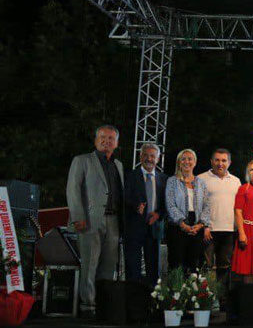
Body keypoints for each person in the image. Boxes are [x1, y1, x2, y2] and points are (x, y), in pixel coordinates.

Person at [67, 125, 125, 314]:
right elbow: (73, 189)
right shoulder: (82, 160)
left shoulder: (118, 165)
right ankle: (88, 305)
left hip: (114, 220)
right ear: (95, 140)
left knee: (109, 265)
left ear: (116, 143)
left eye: (111, 138)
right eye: (102, 137)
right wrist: (78, 216)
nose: (106, 141)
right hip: (90, 220)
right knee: (90, 264)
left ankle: (104, 304)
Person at [123, 142, 166, 286]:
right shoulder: (129, 176)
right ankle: (132, 298)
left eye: (152, 156)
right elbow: (123, 199)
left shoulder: (164, 179)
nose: (149, 159)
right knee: (132, 270)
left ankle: (152, 298)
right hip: (133, 229)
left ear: (158, 159)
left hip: (154, 229)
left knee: (153, 271)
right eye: (146, 155)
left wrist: (158, 214)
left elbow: (166, 205)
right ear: (140, 157)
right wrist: (136, 206)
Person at [198, 148, 242, 284]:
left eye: (224, 160)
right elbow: (198, 205)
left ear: (229, 162)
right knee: (206, 267)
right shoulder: (201, 179)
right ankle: (205, 296)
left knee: (225, 267)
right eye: (217, 160)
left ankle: (222, 295)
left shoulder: (236, 181)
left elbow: (239, 207)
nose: (220, 163)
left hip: (229, 230)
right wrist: (204, 226)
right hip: (208, 230)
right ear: (211, 161)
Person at [164, 148, 209, 272]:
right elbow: (170, 205)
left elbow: (207, 205)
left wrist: (200, 224)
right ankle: (176, 285)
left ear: (195, 162)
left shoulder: (201, 183)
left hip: (197, 227)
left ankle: (193, 285)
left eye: (190, 159)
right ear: (179, 162)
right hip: (177, 227)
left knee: (194, 264)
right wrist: (183, 224)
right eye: (183, 159)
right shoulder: (172, 181)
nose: (186, 162)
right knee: (176, 264)